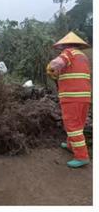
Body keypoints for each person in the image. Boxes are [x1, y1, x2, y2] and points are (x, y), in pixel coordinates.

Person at [47, 32, 91, 168]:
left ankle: (82, 156)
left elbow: (56, 64)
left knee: (72, 125)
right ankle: (71, 144)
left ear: (65, 45)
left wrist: (50, 69)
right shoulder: (83, 56)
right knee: (78, 124)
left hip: (72, 96)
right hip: (84, 96)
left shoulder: (68, 52)